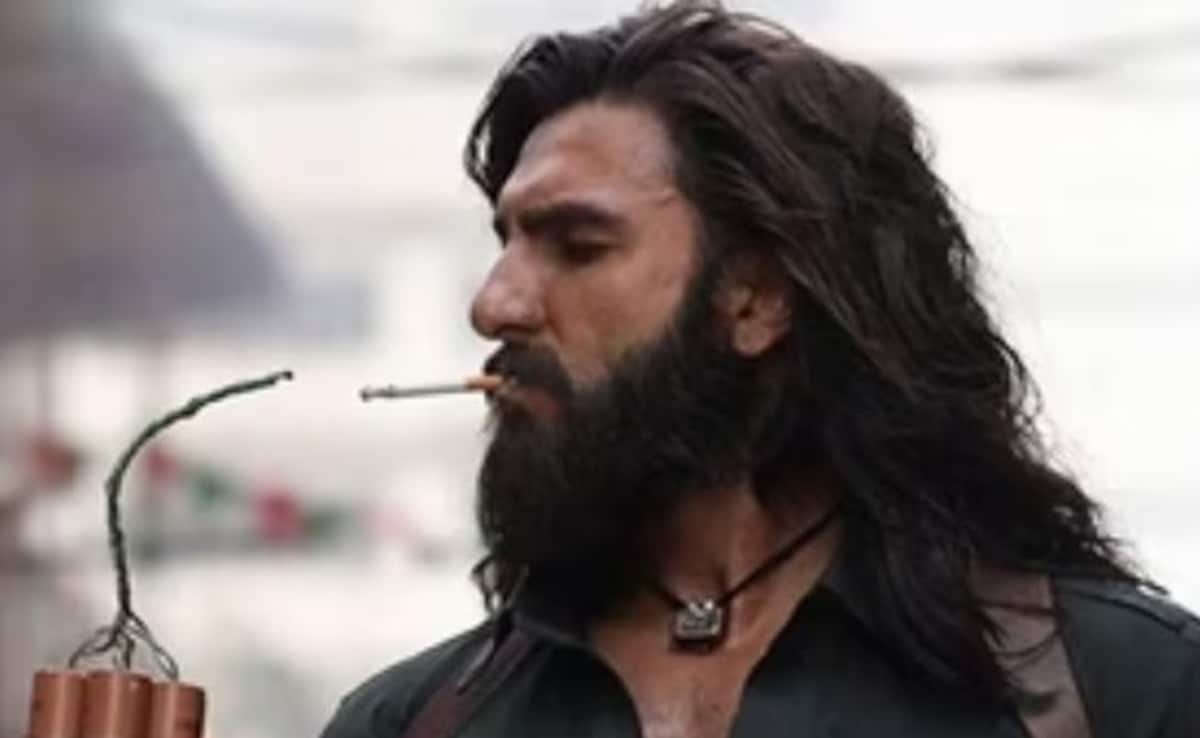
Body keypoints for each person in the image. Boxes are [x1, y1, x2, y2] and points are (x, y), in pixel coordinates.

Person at [321, 3, 1199, 737]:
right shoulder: (414, 722)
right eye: (505, 242)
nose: (494, 305)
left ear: (755, 300)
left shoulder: (1117, 690)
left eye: (579, 247)